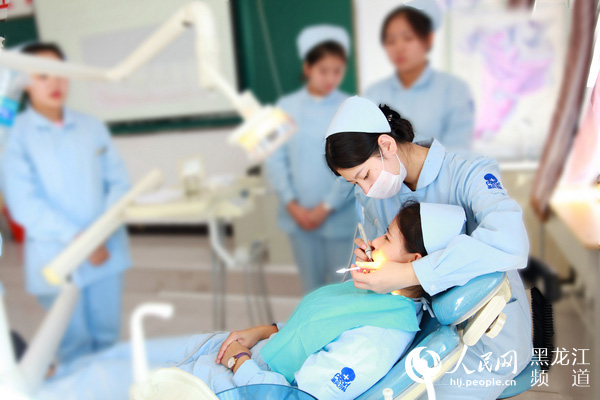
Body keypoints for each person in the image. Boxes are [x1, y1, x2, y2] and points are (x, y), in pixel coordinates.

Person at [37, 201, 467, 400]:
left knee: (111, 380)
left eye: (386, 238)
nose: (372, 242)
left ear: (414, 261)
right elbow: (316, 328)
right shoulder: (377, 292)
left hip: (242, 382)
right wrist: (261, 332)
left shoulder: (377, 339)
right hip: (248, 352)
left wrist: (241, 363)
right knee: (124, 356)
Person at [324, 96, 532, 399]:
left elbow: (510, 240)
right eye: (356, 183)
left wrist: (410, 273)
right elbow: (388, 264)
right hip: (417, 330)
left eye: (365, 176)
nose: (366, 190)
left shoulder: (468, 172)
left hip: (485, 340)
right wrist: (374, 262)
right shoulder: (375, 196)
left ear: (387, 145)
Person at [2, 42, 131, 363]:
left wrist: (100, 234)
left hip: (105, 250)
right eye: (42, 75)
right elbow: (24, 204)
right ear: (24, 81)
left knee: (107, 340)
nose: (54, 83)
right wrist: (82, 240)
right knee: (73, 347)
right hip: (57, 255)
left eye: (60, 73)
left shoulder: (92, 126)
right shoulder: (13, 136)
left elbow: (119, 183)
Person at [264, 25, 357, 293]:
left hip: (339, 216)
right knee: (311, 289)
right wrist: (292, 204)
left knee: (344, 288)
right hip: (298, 217)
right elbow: (275, 159)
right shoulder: (286, 107)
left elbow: (354, 164)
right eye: (323, 71)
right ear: (307, 67)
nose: (331, 78)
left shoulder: (349, 108)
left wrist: (326, 207)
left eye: (337, 71)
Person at [364, 0, 474, 152]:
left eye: (408, 38)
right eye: (391, 41)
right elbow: (365, 146)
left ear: (428, 39)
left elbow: (458, 150)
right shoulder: (374, 93)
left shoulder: (454, 90)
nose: (399, 48)